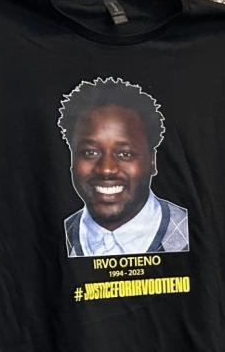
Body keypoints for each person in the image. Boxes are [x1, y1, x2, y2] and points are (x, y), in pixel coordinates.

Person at [57, 77, 190, 257]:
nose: (106, 169)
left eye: (125, 154)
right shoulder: (52, 236)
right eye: (90, 152)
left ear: (152, 161)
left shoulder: (193, 230)